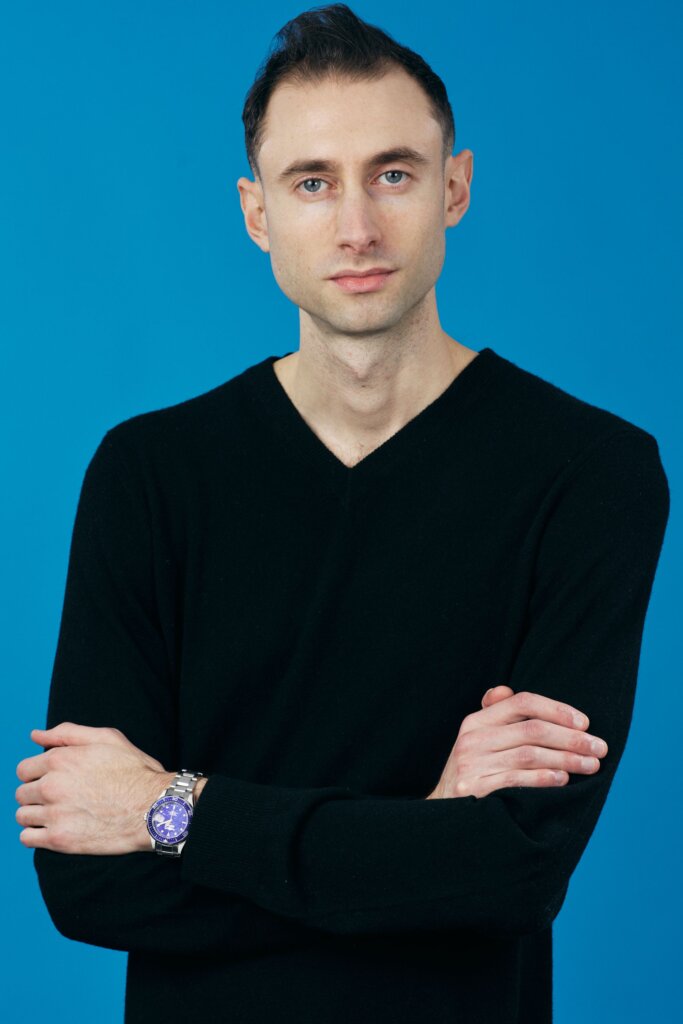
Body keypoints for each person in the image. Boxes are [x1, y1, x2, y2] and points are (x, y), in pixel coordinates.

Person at [15, 4, 669, 1022]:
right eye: (311, 182)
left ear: (453, 186)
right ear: (256, 213)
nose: (356, 226)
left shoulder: (590, 472)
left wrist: (168, 808)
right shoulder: (148, 474)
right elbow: (87, 882)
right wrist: (422, 837)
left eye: (393, 173)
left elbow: (509, 876)